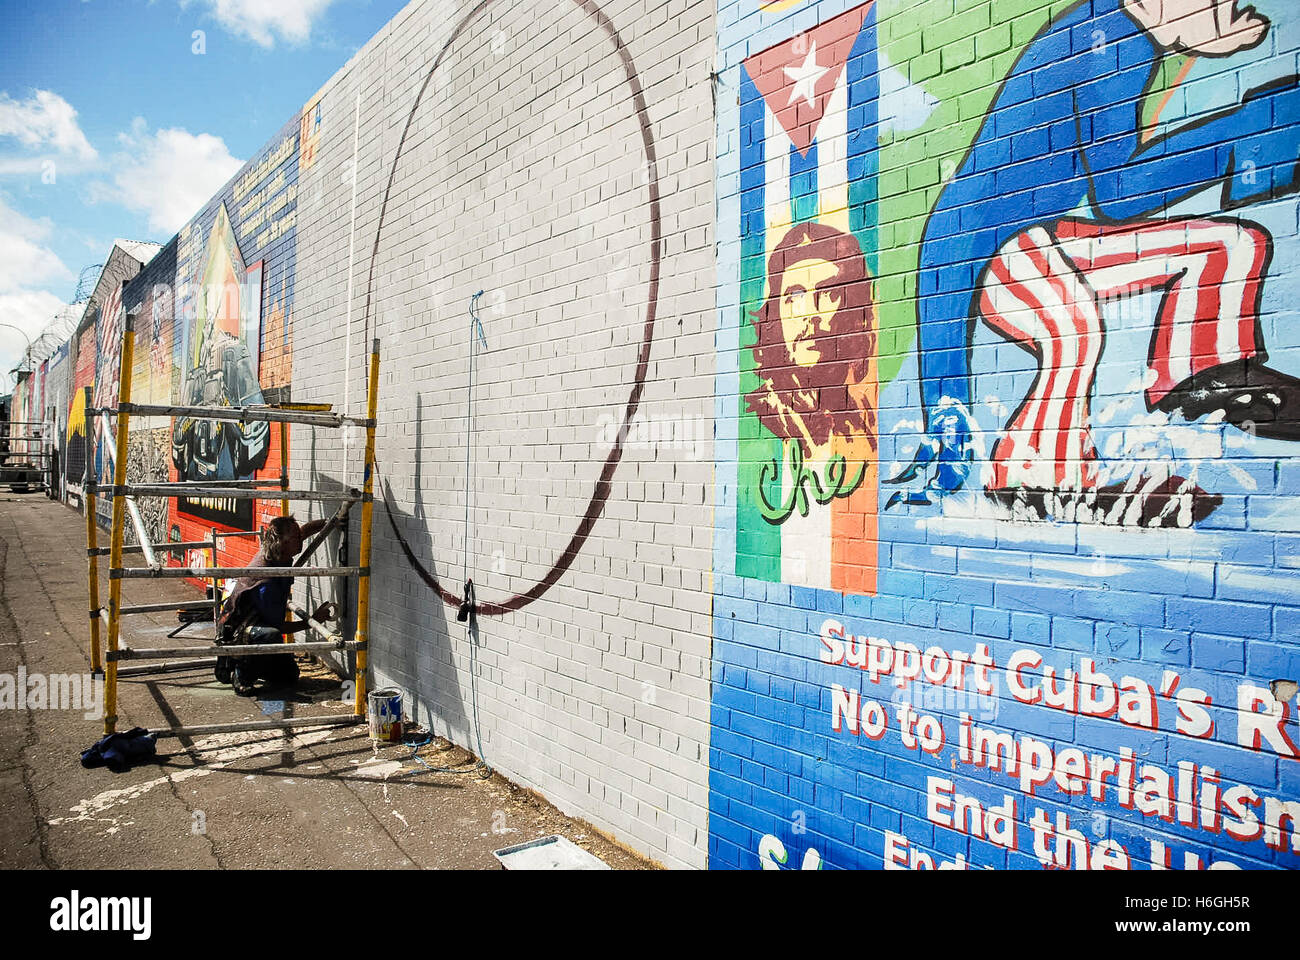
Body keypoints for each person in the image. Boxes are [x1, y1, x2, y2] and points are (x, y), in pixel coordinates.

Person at [894, 0, 1300, 524]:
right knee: (1071, 327)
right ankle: (1030, 477)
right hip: (988, 246)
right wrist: (1249, 128)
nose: (1227, 10)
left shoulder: (1120, 35)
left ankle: (1204, 379)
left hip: (1048, 234)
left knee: (1229, 244)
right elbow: (1120, 194)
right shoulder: (1106, 40)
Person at [216, 514, 339, 695]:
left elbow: (304, 531)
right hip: (238, 632)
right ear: (281, 542)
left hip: (257, 625)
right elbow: (277, 626)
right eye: (295, 537)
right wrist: (312, 621)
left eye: (298, 535)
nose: (300, 539)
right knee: (270, 635)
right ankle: (241, 675)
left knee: (289, 676)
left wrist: (331, 521)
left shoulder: (278, 552)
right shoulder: (266, 579)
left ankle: (258, 665)